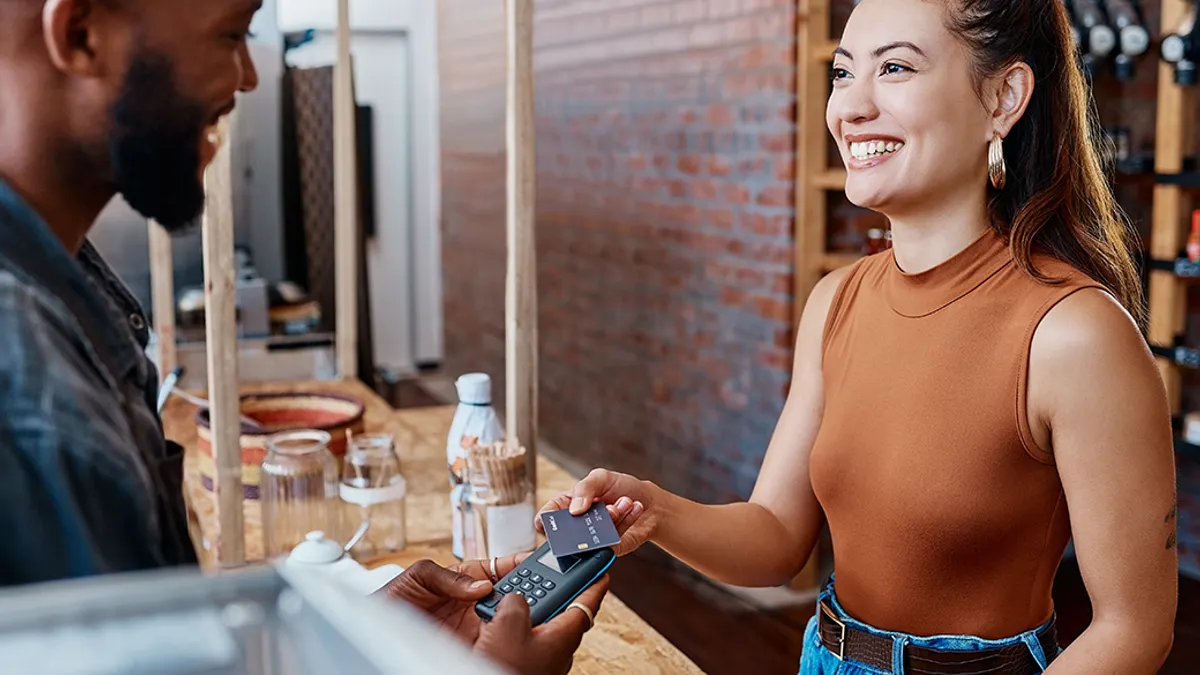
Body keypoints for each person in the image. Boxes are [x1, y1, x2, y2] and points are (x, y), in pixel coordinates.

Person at [538, 1, 1179, 673]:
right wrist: (651, 509)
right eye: (843, 74)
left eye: (895, 67)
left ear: (1003, 97)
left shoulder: (1075, 333)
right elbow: (777, 537)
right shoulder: (835, 302)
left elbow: (1134, 628)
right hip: (825, 654)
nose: (851, 106)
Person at [0, 2, 605, 673]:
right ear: (80, 34)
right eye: (231, 34)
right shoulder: (28, 380)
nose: (249, 77)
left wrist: (359, 636)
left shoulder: (70, 295)